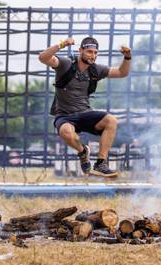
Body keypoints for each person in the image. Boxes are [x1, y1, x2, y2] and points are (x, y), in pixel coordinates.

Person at [38, 37, 131, 177]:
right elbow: (43, 58)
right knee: (66, 132)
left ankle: (101, 164)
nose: (92, 55)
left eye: (95, 52)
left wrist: (127, 57)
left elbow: (122, 73)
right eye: (89, 52)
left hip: (85, 113)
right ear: (80, 50)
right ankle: (82, 151)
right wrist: (62, 44)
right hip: (64, 116)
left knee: (111, 120)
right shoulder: (66, 63)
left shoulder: (96, 70)